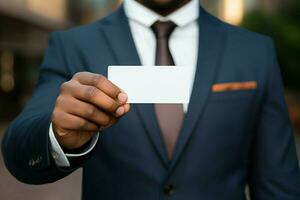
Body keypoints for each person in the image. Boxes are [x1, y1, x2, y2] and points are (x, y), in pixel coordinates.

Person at [2, 0, 300, 199]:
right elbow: (20, 150)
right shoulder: (73, 45)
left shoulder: (253, 50)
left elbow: (279, 184)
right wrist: (58, 135)